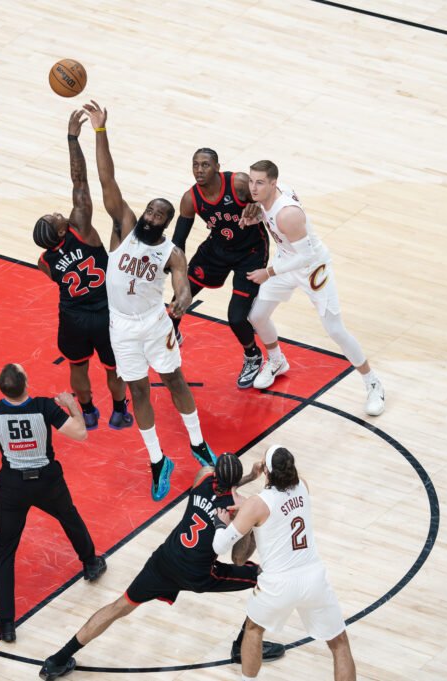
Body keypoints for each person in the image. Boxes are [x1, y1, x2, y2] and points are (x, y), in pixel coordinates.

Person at [38, 453, 286, 681]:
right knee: (265, 577)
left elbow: (220, 488)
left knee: (119, 606)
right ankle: (243, 646)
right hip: (198, 574)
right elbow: (239, 560)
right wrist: (250, 528)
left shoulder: (203, 476)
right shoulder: (239, 506)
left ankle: (57, 660)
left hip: (165, 560)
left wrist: (248, 478)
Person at [83, 100, 217, 502]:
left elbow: (183, 284)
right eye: (149, 209)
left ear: (166, 222)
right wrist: (100, 132)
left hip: (154, 324)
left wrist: (183, 298)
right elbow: (107, 180)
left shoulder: (171, 251)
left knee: (174, 379)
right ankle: (159, 460)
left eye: (159, 213)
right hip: (120, 325)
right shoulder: (124, 228)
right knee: (137, 391)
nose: (151, 214)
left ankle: (196, 443)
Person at [244, 161, 386, 417]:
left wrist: (269, 272)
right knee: (257, 316)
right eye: (251, 181)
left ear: (273, 183)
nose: (253, 188)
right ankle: (277, 361)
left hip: (312, 267)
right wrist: (253, 217)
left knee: (335, 329)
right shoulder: (268, 196)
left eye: (260, 182)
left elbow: (306, 256)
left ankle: (373, 382)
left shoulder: (288, 213)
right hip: (287, 260)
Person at [0, 363, 107, 643]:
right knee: (68, 516)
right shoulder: (42, 406)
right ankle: (90, 563)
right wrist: (72, 405)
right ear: (26, 383)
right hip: (47, 481)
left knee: (5, 552)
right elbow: (80, 433)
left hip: (13, 485)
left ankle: (7, 623)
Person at [213, 445, 356, 681]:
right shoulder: (304, 486)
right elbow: (282, 501)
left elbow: (221, 548)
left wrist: (224, 522)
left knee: (253, 629)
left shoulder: (256, 505)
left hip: (278, 583)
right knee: (339, 644)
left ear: (267, 473)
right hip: (313, 578)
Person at [33, 109, 133, 431]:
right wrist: (73, 139)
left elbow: (59, 274)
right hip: (105, 311)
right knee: (112, 368)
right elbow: (80, 180)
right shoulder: (82, 229)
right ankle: (119, 412)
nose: (58, 213)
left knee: (77, 366)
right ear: (62, 232)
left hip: (73, 315)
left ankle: (88, 413)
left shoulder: (44, 261)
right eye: (55, 218)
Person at [169, 148, 269, 388]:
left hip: (250, 252)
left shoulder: (238, 184)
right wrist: (174, 269)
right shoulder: (190, 198)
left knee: (236, 317)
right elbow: (178, 243)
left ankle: (253, 356)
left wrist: (259, 207)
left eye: (205, 165)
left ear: (216, 166)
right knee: (179, 299)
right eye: (195, 165)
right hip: (217, 249)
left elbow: (270, 198)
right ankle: (172, 334)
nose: (199, 170)